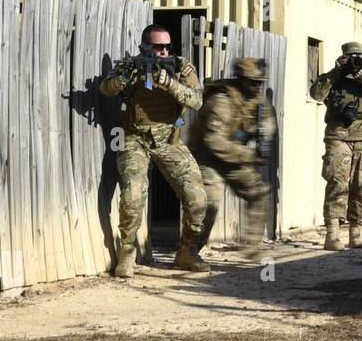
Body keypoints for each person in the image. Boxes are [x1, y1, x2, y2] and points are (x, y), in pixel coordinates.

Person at [99, 23, 207, 276]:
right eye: (158, 47)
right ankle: (127, 252)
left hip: (169, 139)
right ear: (144, 47)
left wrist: (170, 84)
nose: (163, 52)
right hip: (134, 137)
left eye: (167, 46)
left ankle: (187, 252)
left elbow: (197, 101)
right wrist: (125, 77)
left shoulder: (180, 66)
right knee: (133, 195)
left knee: (197, 197)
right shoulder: (130, 64)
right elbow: (106, 88)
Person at [189, 57, 277, 262]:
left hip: (232, 157)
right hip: (207, 157)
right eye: (252, 82)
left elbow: (267, 121)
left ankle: (251, 247)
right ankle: (190, 251)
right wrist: (248, 154)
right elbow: (213, 141)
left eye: (259, 82)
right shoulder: (221, 100)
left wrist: (263, 133)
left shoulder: (257, 102)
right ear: (240, 80)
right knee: (210, 203)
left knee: (259, 192)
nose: (256, 87)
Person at [310, 41, 362, 250]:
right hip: (339, 135)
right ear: (343, 56)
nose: (353, 60)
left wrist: (360, 73)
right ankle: (333, 233)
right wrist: (337, 72)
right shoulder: (334, 77)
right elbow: (316, 94)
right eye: (350, 56)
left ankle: (356, 231)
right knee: (338, 181)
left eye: (357, 56)